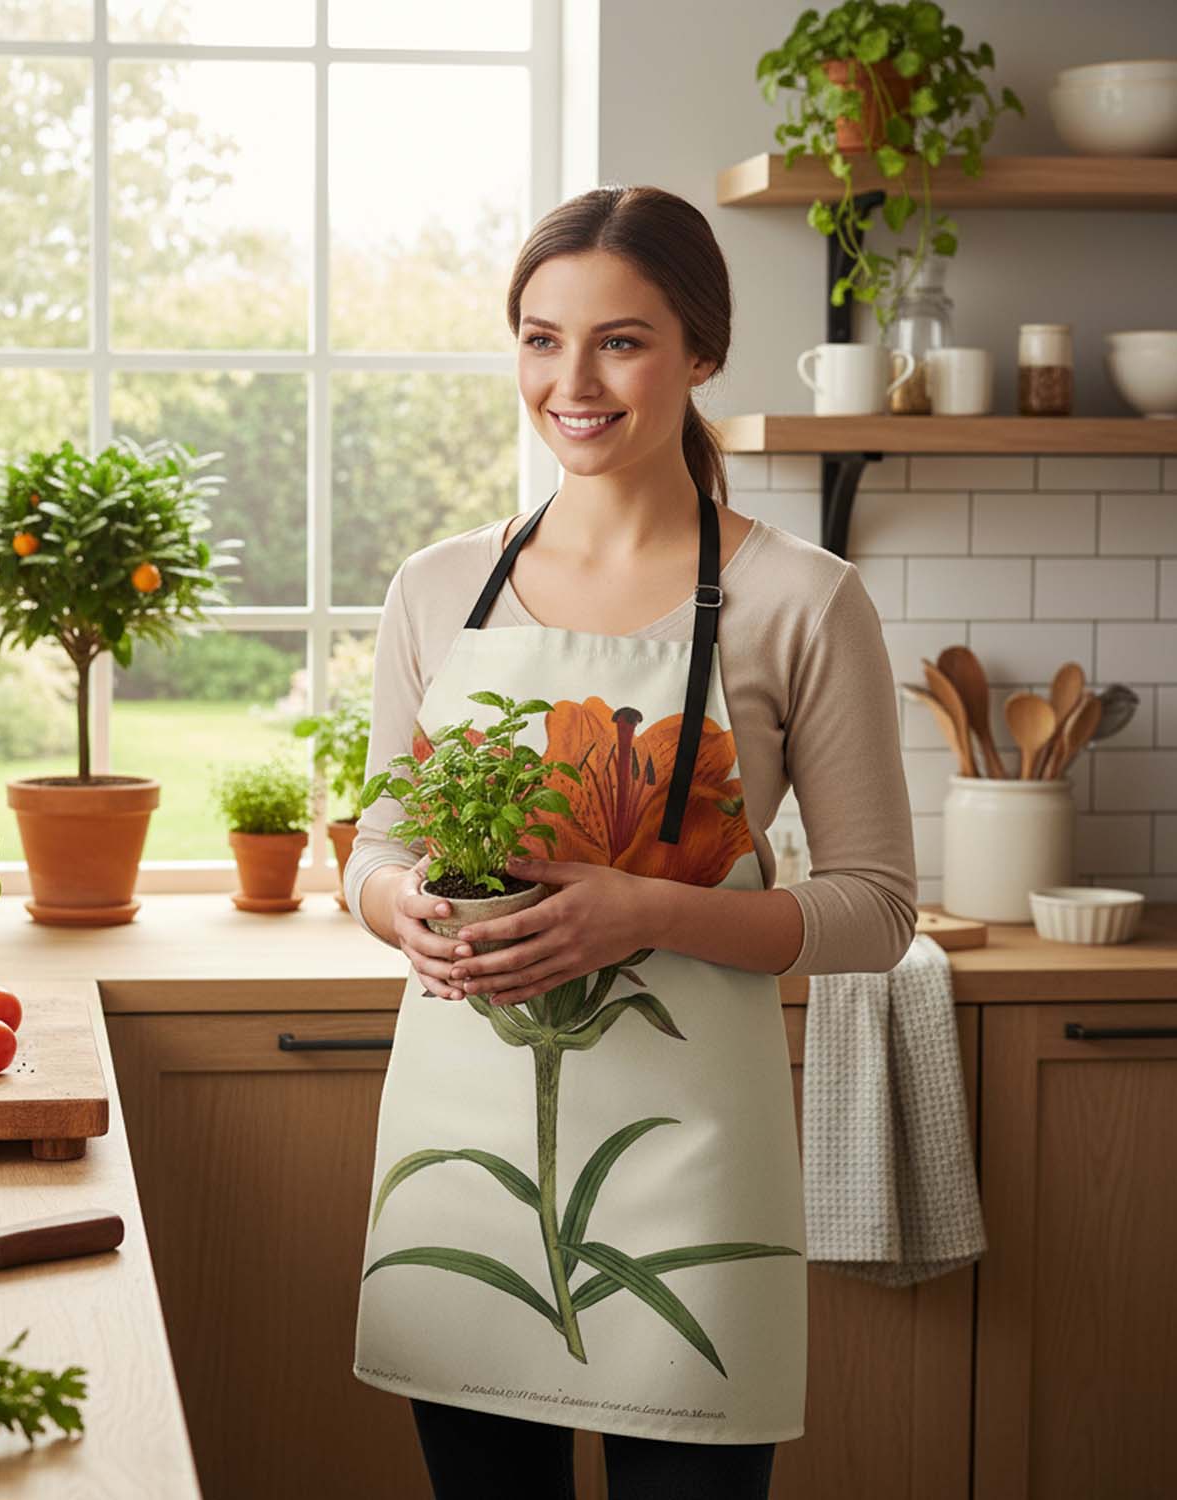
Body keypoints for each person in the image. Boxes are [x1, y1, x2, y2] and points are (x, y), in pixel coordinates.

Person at [345, 184, 917, 1499]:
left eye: (621, 340)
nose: (573, 381)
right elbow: (374, 844)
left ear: (702, 352)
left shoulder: (802, 601)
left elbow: (878, 912)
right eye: (541, 340)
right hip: (462, 1160)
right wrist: (399, 905)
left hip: (692, 1175)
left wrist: (644, 911)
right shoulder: (437, 585)